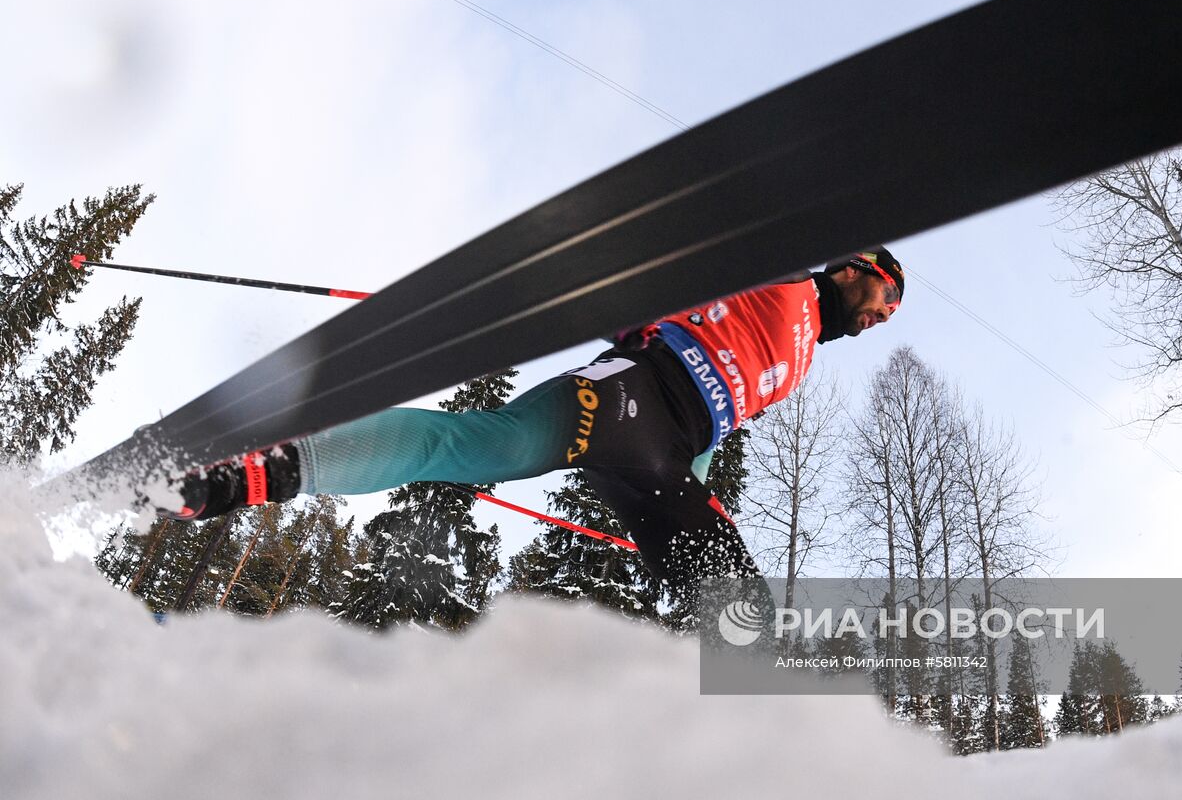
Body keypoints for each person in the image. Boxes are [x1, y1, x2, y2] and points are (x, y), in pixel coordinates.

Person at [161, 248, 905, 593]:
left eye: (892, 313)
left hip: (671, 456)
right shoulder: (787, 275)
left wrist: (696, 493)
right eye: (886, 294)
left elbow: (721, 426)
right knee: (472, 444)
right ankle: (249, 472)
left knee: (734, 597)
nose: (884, 314)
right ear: (855, 266)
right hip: (632, 392)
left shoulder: (802, 362)